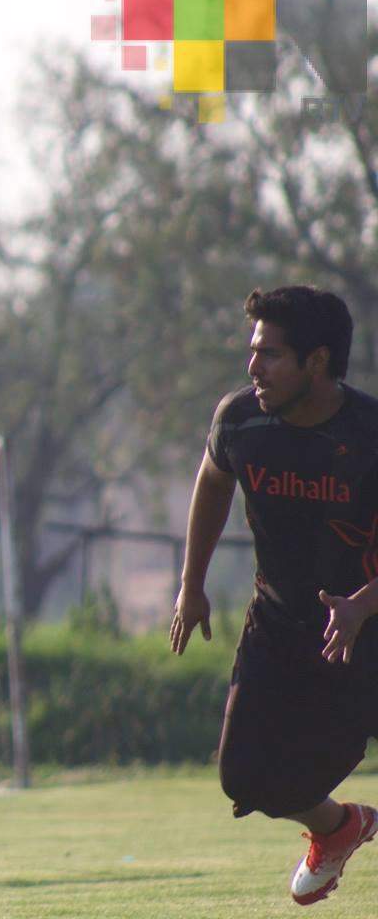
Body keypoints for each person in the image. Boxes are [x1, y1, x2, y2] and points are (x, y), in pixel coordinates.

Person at [171, 286, 378, 907]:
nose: (253, 366)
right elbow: (214, 480)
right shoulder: (240, 419)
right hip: (280, 625)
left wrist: (364, 603)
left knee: (310, 763)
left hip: (366, 631)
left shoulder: (369, 433)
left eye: (270, 354)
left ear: (317, 361)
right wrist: (192, 585)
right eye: (253, 350)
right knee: (246, 777)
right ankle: (338, 827)